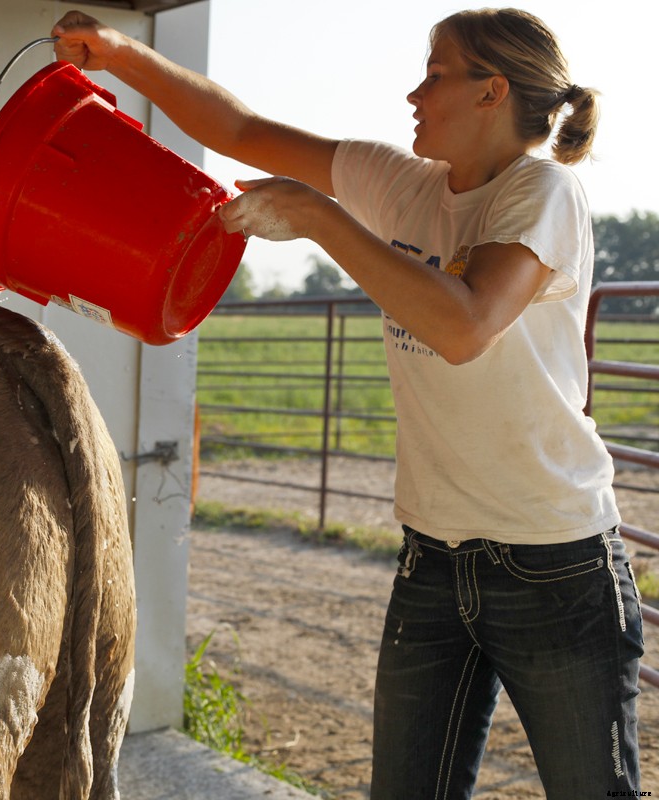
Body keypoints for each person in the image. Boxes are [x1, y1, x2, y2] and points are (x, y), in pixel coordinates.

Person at [52, 8, 645, 798]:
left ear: (491, 92)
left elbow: (463, 325)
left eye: (435, 75)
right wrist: (123, 57)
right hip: (433, 558)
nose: (413, 93)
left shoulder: (544, 192)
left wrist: (321, 218)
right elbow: (242, 126)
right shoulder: (399, 182)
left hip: (555, 564)